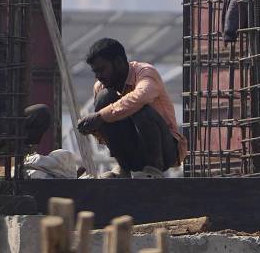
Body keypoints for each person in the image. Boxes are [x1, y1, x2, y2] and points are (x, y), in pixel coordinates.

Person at [76, 38, 185, 179]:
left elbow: (141, 97)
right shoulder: (100, 86)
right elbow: (106, 131)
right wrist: (93, 128)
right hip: (133, 152)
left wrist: (100, 117)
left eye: (102, 70)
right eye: (95, 72)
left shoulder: (145, 72)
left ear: (118, 62)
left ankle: (153, 169)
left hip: (166, 151)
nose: (98, 76)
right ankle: (123, 167)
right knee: (104, 98)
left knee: (139, 108)